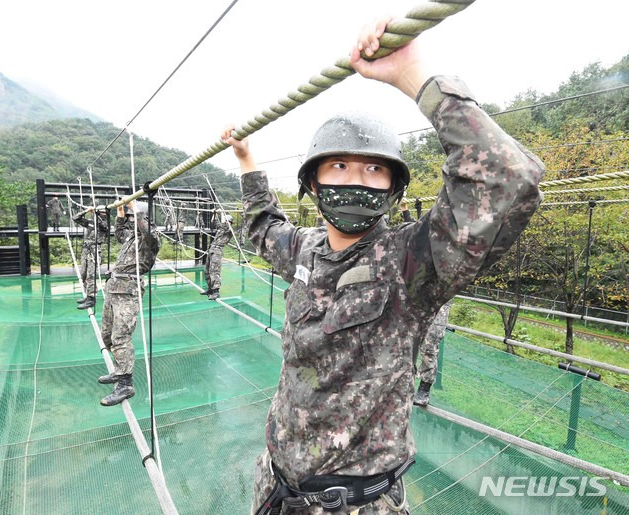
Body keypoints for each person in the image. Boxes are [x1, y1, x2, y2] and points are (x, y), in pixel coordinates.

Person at [223, 17, 545, 514]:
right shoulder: (305, 250)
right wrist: (247, 162)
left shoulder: (411, 264)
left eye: (374, 169)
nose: (356, 180)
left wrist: (412, 76)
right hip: (275, 489)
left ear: (392, 188)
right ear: (313, 182)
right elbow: (264, 227)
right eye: (339, 166)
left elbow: (507, 175)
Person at [98, 200, 161, 406]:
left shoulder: (150, 238)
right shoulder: (130, 237)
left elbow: (148, 234)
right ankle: (119, 369)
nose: (132, 221)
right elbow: (118, 233)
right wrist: (120, 212)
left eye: (134, 218)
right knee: (106, 334)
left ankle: (126, 384)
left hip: (128, 290)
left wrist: (137, 210)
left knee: (120, 337)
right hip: (113, 288)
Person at [399, 201, 452, 407]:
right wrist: (405, 211)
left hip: (439, 300)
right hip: (419, 298)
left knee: (430, 343)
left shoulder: (451, 249)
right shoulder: (428, 243)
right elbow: (416, 234)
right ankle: (406, 382)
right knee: (408, 340)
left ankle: (424, 388)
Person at [73, 206, 109, 309]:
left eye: (102, 212)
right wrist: (86, 211)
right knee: (83, 273)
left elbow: (103, 225)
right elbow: (75, 218)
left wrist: (97, 214)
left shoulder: (104, 224)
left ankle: (91, 297)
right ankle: (87, 294)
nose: (100, 214)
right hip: (86, 249)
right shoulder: (90, 222)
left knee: (91, 275)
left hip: (94, 250)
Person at [203, 210, 233, 300]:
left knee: (214, 271)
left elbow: (224, 225)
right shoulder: (221, 228)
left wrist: (220, 214)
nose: (225, 223)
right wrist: (214, 214)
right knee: (207, 270)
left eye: (226, 221)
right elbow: (214, 222)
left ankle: (216, 291)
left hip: (217, 251)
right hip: (212, 249)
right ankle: (210, 289)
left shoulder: (229, 230)